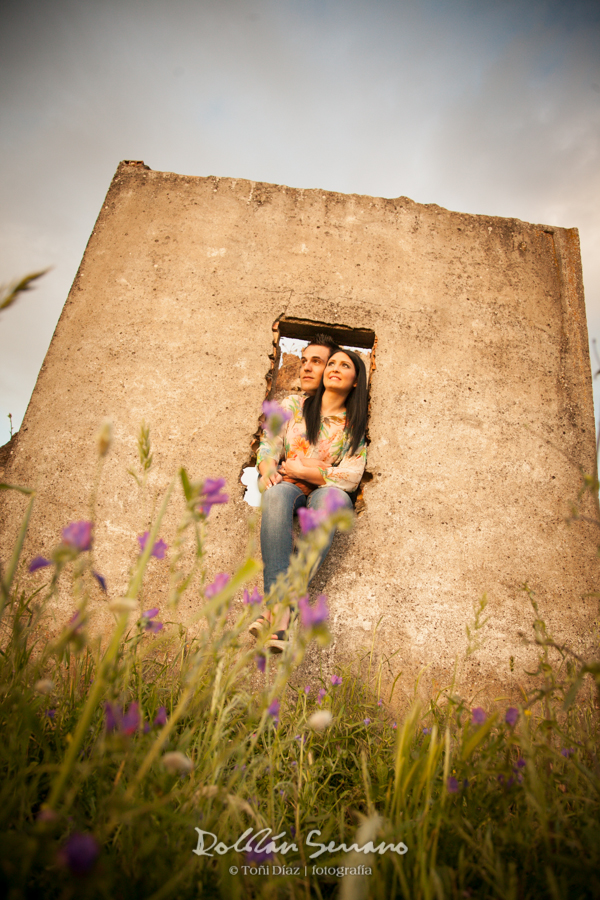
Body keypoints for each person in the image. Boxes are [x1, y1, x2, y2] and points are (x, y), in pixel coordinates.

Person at [252, 348, 368, 652]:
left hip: (324, 491)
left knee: (331, 499)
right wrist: (266, 472)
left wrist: (309, 469)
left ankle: (276, 613)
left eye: (345, 365)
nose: (335, 368)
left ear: (356, 381)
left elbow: (352, 475)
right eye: (332, 363)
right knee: (276, 495)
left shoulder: (354, 425)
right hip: (288, 485)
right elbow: (268, 445)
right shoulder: (293, 404)